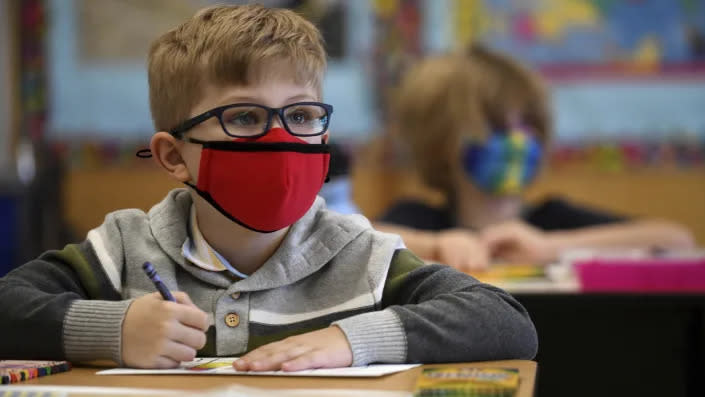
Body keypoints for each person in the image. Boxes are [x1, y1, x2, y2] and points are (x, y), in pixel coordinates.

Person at [0, 6, 537, 370]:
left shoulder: (358, 254)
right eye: (246, 117)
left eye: (302, 115)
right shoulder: (123, 247)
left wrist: (350, 341)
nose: (281, 139)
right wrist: (114, 330)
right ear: (172, 156)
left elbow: (505, 322)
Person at [376, 45, 695, 272]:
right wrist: (434, 245)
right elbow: (353, 239)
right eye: (495, 125)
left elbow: (677, 240)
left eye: (527, 124)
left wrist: (550, 248)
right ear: (441, 140)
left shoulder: (552, 220)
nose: (517, 139)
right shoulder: (419, 219)